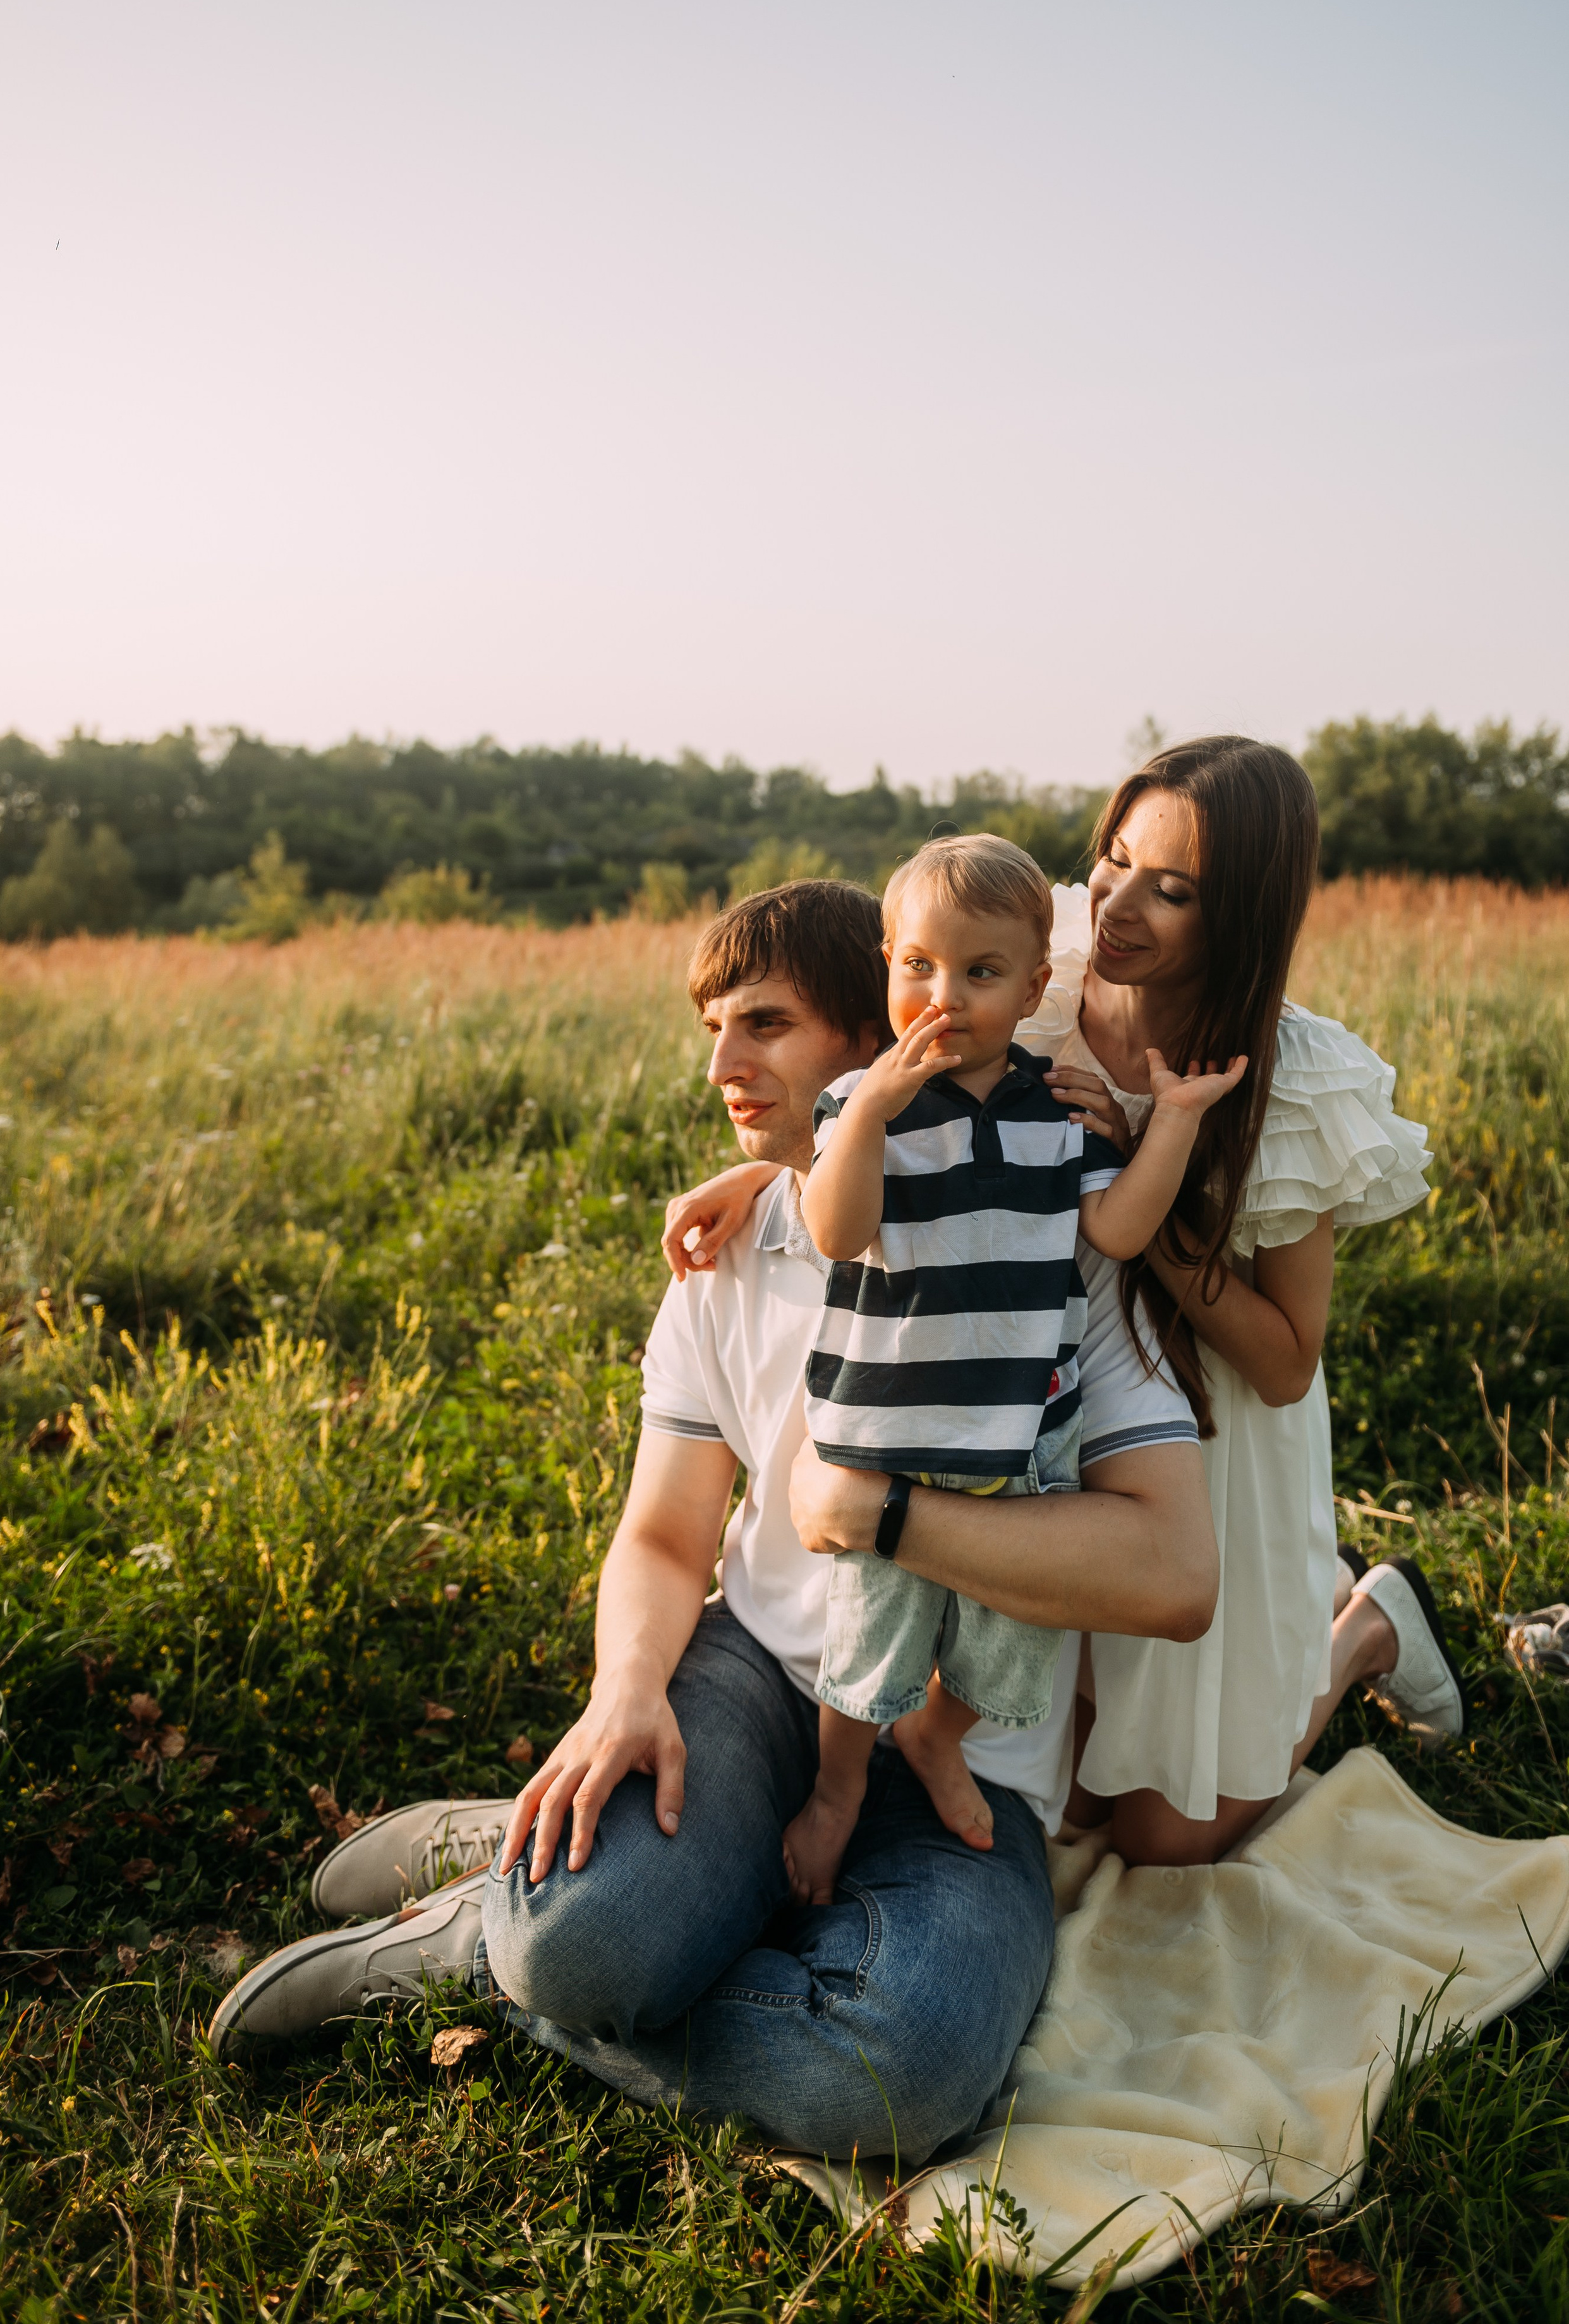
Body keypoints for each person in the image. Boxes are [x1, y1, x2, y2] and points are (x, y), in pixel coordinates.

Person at [210, 878, 1219, 2165]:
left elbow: (1170, 1574)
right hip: (755, 1679)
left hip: (963, 1758)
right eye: (713, 1031)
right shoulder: (727, 1253)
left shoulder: (1057, 1247)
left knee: (899, 2073)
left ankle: (504, 1937)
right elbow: (663, 1536)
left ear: (883, 1038)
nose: (722, 1068)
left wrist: (891, 1519)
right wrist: (625, 1690)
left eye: (765, 1027)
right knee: (579, 1943)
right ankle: (515, 1923)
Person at [672, 741, 1459, 1871]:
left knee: (1164, 1834)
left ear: (1238, 915)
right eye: (1114, 859)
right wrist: (767, 1173)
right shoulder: (1040, 952)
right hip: (1034, 1381)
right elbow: (908, 1096)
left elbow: (1287, 1363)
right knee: (1064, 1771)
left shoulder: (1291, 1079)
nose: (1118, 905)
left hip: (1213, 1426)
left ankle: (1368, 1628)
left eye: (1172, 891)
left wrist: (1147, 1165)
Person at [787, 834, 1244, 1902]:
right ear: (889, 965)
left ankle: (941, 1738)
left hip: (1022, 1437)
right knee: (866, 1650)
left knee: (1009, 1648)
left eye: (981, 974)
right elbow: (837, 1229)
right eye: (917, 968)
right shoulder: (860, 1105)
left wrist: (1168, 1123)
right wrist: (867, 1116)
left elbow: (1122, 1232)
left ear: (1036, 984)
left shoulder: (1054, 1108)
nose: (943, 996)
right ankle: (837, 1792)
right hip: (889, 1429)